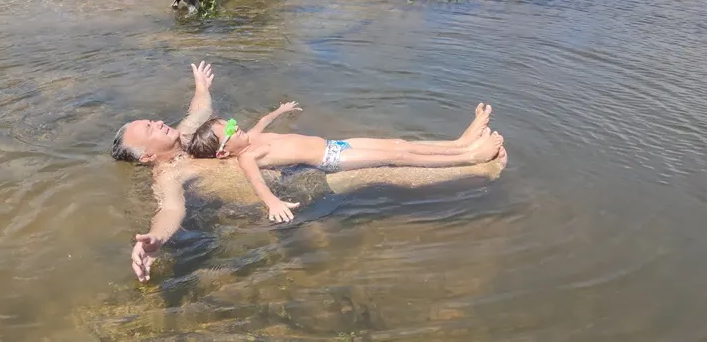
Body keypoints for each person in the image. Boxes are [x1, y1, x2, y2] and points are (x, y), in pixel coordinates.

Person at [111, 61, 509, 283]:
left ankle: (462, 149)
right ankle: (476, 169)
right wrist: (156, 241)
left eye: (152, 120)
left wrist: (200, 84)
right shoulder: (168, 175)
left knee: (390, 152)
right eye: (149, 130)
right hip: (293, 185)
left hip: (292, 166)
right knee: (381, 171)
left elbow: (199, 108)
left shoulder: (185, 136)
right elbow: (170, 211)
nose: (157, 124)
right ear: (146, 157)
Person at [186, 102, 503, 223]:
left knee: (398, 144)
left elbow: (262, 122)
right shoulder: (247, 157)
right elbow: (256, 181)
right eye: (228, 131)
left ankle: (460, 142)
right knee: (396, 156)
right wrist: (272, 202)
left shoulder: (251, 139)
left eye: (229, 123)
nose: (234, 126)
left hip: (336, 144)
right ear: (223, 153)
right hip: (332, 158)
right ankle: (470, 157)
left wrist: (279, 111)